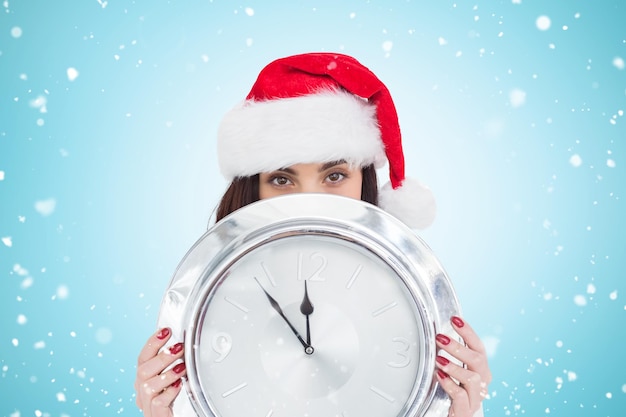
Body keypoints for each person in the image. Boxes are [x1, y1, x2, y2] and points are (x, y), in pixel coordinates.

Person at [134, 52, 492, 417]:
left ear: (363, 182)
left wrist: (457, 411)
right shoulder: (206, 308)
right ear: (253, 189)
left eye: (334, 175)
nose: (309, 200)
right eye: (281, 179)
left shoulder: (412, 304)